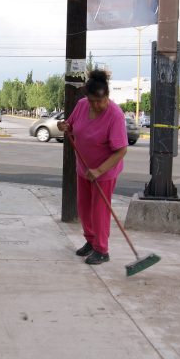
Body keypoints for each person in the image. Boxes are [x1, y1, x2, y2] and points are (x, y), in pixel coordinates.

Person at [58, 70, 128, 265]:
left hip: (104, 171)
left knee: (99, 211)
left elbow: (121, 151)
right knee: (84, 207)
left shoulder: (115, 115)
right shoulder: (81, 106)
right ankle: (90, 241)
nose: (97, 105)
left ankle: (102, 250)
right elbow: (71, 126)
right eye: (92, 101)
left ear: (107, 96)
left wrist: (99, 170)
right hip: (84, 167)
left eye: (101, 101)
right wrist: (64, 126)